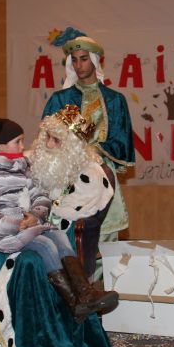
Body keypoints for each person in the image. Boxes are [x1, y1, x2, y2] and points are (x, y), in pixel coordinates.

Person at [0, 118, 118, 322]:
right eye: (17, 142)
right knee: (47, 246)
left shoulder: (21, 166)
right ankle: (73, 302)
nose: (23, 146)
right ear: (0, 145)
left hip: (26, 227)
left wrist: (35, 215)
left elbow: (40, 195)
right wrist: (14, 224)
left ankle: (85, 294)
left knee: (59, 236)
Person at [42, 35, 135, 252]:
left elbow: (121, 141)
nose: (78, 64)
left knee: (104, 237)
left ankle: (102, 283)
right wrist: (75, 151)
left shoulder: (114, 99)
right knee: (67, 234)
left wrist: (92, 150)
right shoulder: (61, 99)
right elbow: (47, 139)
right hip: (68, 174)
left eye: (83, 58)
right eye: (74, 60)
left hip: (102, 172)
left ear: (94, 60)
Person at [28, 104, 115, 282]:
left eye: (57, 140)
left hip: (61, 233)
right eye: (47, 137)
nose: (49, 144)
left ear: (72, 146)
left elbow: (74, 210)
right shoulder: (35, 161)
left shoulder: (90, 173)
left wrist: (43, 212)